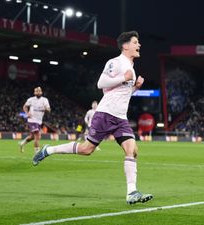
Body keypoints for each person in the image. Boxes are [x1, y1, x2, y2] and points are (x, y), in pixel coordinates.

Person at [32, 31, 153, 204]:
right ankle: (48, 150)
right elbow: (101, 83)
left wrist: (135, 88)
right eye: (135, 42)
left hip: (120, 118)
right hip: (105, 114)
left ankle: (131, 192)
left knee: (132, 151)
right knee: (86, 149)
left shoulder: (131, 69)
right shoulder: (116, 62)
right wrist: (123, 78)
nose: (139, 45)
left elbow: (120, 93)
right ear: (125, 46)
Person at [19, 87, 50, 153]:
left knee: (32, 137)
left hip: (39, 121)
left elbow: (49, 109)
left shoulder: (45, 100)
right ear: (34, 93)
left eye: (39, 91)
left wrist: (45, 109)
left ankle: (22, 143)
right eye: (36, 91)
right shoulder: (31, 99)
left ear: (41, 92)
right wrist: (27, 113)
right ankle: (37, 153)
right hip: (32, 120)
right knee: (37, 135)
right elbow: (24, 106)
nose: (38, 92)